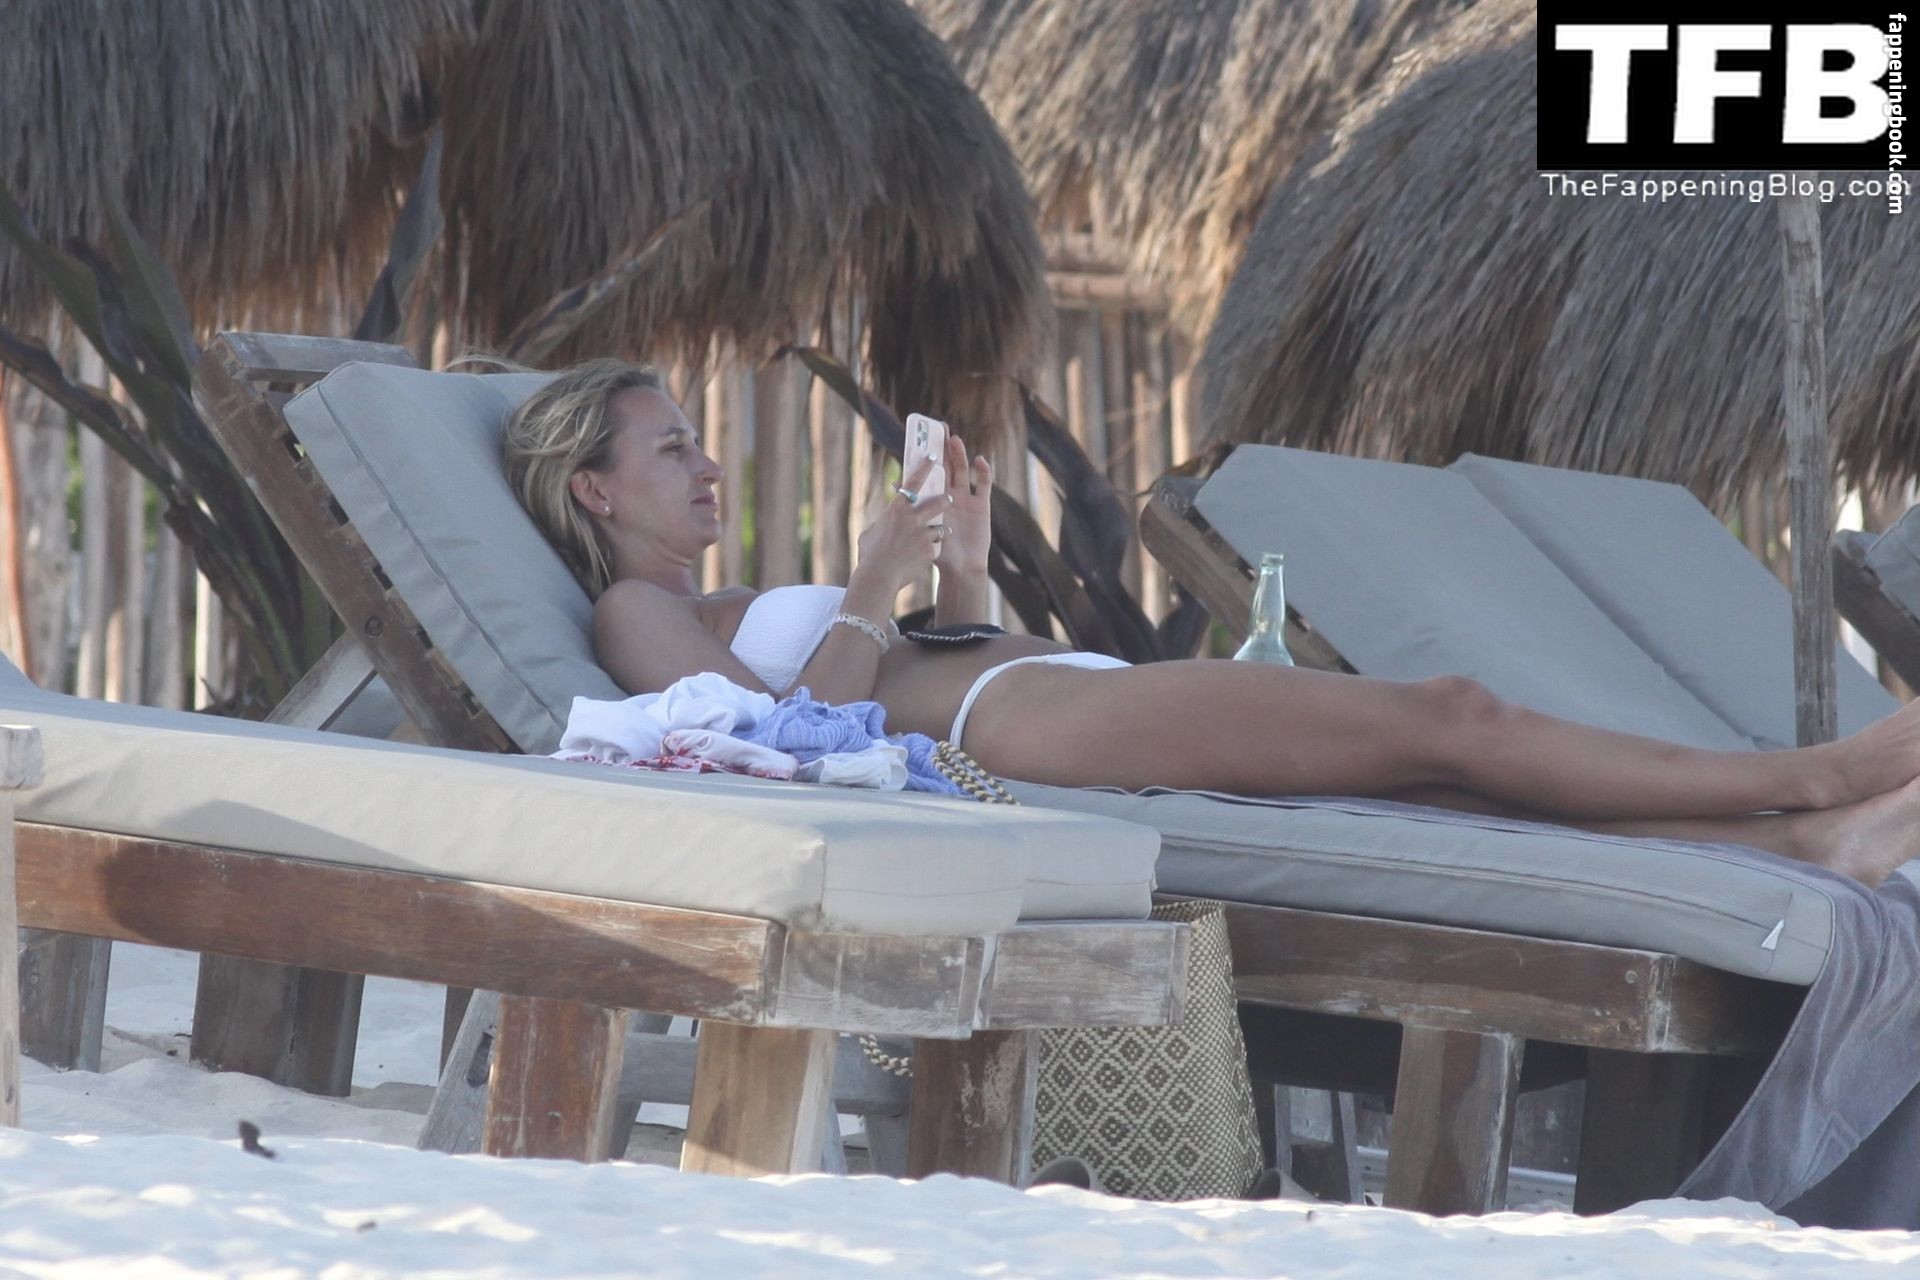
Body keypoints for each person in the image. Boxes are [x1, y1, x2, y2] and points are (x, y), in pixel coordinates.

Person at [504, 358, 1920, 887]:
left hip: (1040, 691)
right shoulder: (633, 611)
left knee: (1436, 790)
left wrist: (962, 571)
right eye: (672, 447)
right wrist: (873, 584)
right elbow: (781, 751)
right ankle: (1810, 778)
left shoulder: (737, 601)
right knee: (1452, 716)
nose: (706, 465)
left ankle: (1802, 846)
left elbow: (899, 681)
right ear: (594, 490)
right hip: (1036, 723)